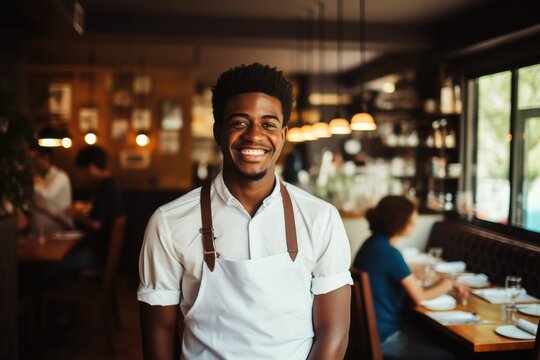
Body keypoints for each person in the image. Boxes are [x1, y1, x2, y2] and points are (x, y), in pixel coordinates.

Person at [138, 63, 353, 360]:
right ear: (218, 131)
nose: (254, 136)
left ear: (283, 134)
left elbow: (334, 331)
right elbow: (158, 331)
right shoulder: (169, 222)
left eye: (268, 124)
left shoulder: (321, 218)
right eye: (240, 122)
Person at [353, 195, 468, 360]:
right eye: (411, 219)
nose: (415, 223)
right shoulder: (390, 253)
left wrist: (441, 284)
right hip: (386, 337)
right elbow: (419, 298)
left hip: (366, 337)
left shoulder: (370, 244)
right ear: (399, 221)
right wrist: (448, 283)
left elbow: (413, 291)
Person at [31, 146, 74, 234]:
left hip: (59, 232)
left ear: (45, 158)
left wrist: (33, 183)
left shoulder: (60, 176)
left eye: (34, 158)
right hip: (40, 233)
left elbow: (47, 195)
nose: (32, 162)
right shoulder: (40, 178)